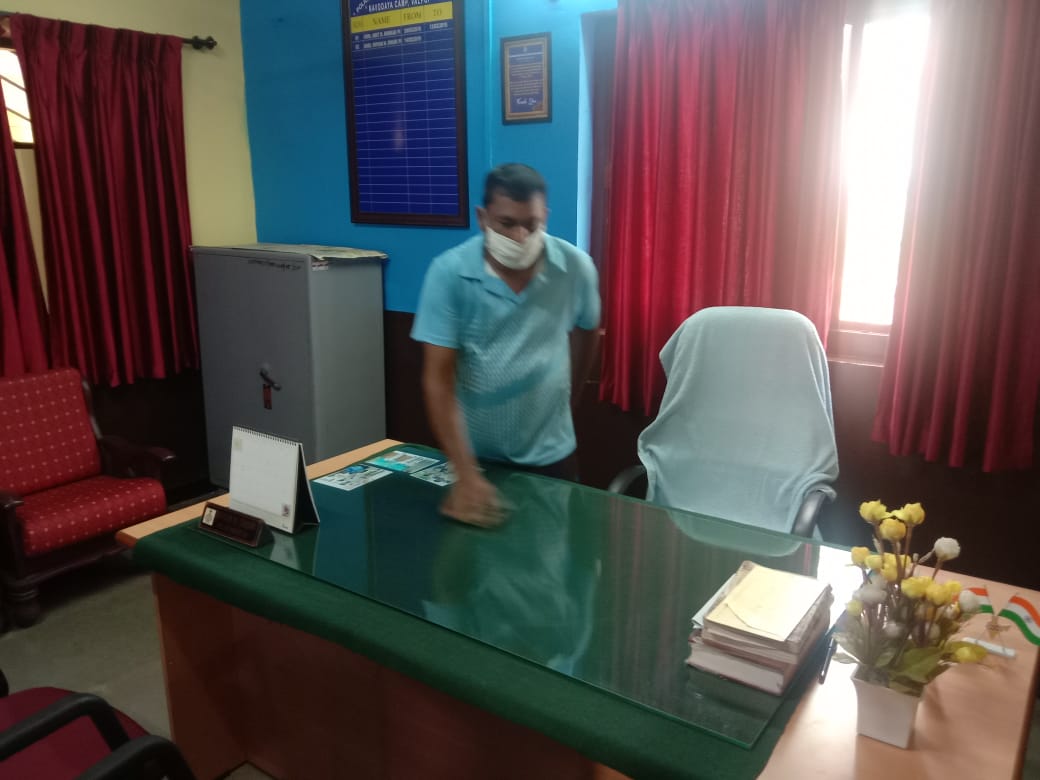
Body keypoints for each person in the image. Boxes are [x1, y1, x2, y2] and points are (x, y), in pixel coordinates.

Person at [411, 163, 601, 527]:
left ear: (545, 217)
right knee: (475, 557)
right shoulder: (448, 273)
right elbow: (438, 380)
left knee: (553, 551)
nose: (519, 236)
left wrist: (569, 397)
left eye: (531, 224)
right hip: (474, 456)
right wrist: (466, 474)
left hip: (552, 455)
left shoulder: (575, 268)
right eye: (506, 223)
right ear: (482, 218)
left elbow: (588, 330)